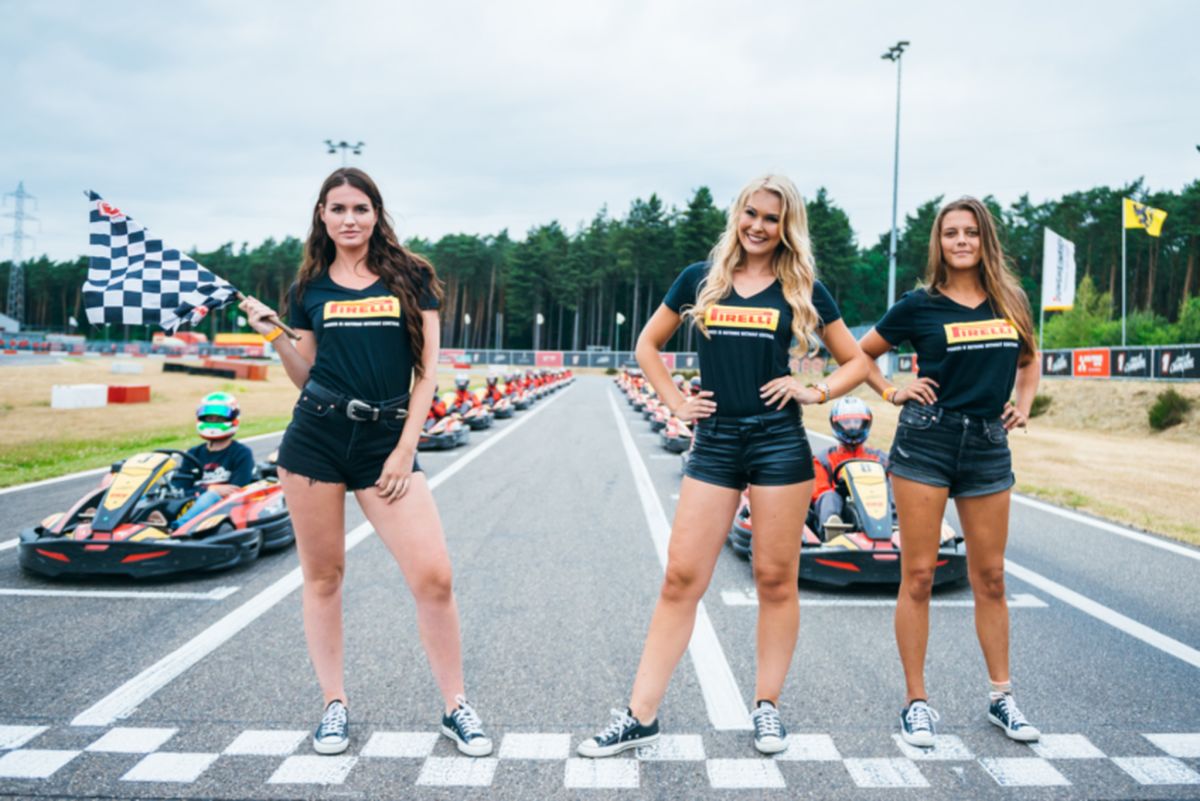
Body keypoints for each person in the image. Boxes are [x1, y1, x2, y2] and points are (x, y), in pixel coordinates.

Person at [578, 174, 869, 757]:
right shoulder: (700, 278)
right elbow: (646, 346)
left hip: (778, 443)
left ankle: (767, 707)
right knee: (681, 578)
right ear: (738, 214)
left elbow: (857, 361)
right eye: (751, 213)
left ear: (787, 227)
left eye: (772, 218)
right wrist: (675, 402)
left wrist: (815, 391)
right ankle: (640, 715)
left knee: (775, 580)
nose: (758, 226)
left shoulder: (802, 288)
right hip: (714, 442)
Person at [238, 168, 492, 758]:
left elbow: (427, 371)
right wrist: (275, 337)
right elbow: (306, 375)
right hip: (316, 439)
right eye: (338, 209)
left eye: (360, 208)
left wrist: (405, 449)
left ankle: (456, 705)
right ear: (321, 216)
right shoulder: (307, 289)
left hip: (385, 442)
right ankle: (334, 704)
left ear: (376, 213)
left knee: (434, 577)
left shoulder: (411, 275)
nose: (349, 219)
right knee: (324, 577)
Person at [857, 196, 1040, 747]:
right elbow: (861, 354)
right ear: (938, 242)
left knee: (992, 578)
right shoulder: (919, 305)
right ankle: (916, 702)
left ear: (986, 240)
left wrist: (1024, 404)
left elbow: (1029, 359)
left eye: (971, 232)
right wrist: (891, 391)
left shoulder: (1010, 300)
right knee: (919, 576)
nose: (961, 241)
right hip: (927, 441)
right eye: (951, 232)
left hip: (987, 445)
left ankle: (1002, 698)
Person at [171, 391, 255, 529]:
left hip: (222, 509)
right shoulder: (193, 453)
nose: (213, 423)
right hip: (191, 502)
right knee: (153, 494)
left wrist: (211, 493)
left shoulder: (241, 453)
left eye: (219, 419)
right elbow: (180, 488)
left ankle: (177, 528)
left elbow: (236, 490)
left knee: (210, 496)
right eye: (210, 418)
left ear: (233, 419)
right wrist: (210, 489)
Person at [811, 396, 887, 531]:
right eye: (847, 422)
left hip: (875, 506)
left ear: (865, 423)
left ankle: (897, 529)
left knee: (894, 494)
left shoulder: (880, 459)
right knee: (828, 496)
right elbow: (819, 492)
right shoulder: (822, 459)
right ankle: (832, 528)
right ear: (836, 424)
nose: (852, 427)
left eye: (856, 422)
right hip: (841, 511)